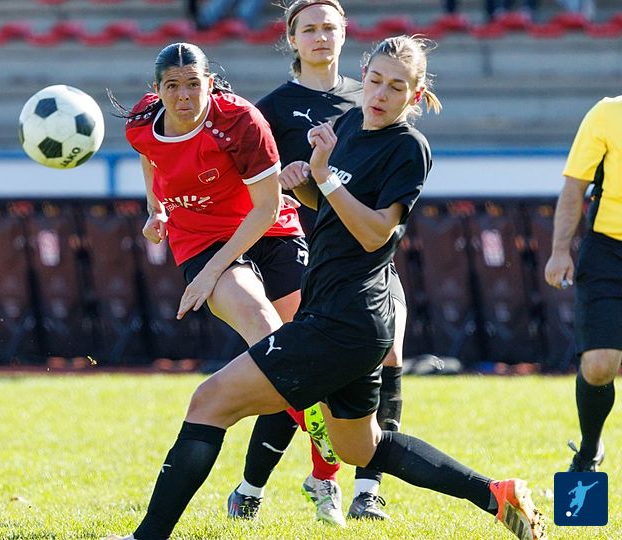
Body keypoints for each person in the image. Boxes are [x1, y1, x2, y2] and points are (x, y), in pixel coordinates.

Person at [109, 35, 548, 540]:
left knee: (209, 402)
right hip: (345, 317)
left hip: (344, 320)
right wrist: (305, 185)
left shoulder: (409, 147)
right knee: (361, 448)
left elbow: (375, 230)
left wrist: (326, 179)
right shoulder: (351, 125)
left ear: (417, 93)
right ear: (364, 75)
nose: (381, 94)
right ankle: (496, 495)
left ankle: (147, 537)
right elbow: (332, 212)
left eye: (397, 86)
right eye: (376, 81)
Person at [112, 40, 344, 526]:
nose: (183, 97)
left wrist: (211, 274)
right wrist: (156, 208)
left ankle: (323, 472)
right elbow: (148, 155)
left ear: (210, 84)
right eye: (172, 87)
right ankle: (328, 458)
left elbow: (263, 208)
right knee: (268, 336)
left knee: (301, 349)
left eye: (194, 84)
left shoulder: (240, 122)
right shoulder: (140, 123)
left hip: (269, 227)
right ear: (156, 91)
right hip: (199, 237)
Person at [226, 0, 409, 524]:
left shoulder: (370, 97)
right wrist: (289, 181)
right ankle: (254, 488)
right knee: (299, 374)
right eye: (310, 28)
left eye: (330, 27)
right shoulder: (272, 110)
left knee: (391, 354)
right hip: (300, 252)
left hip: (366, 254)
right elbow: (245, 185)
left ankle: (367, 489)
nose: (321, 37)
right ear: (292, 39)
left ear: (346, 34)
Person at [544, 94, 622, 473]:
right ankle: (589, 450)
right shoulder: (607, 113)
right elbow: (574, 188)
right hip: (608, 251)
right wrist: (560, 251)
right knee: (599, 365)